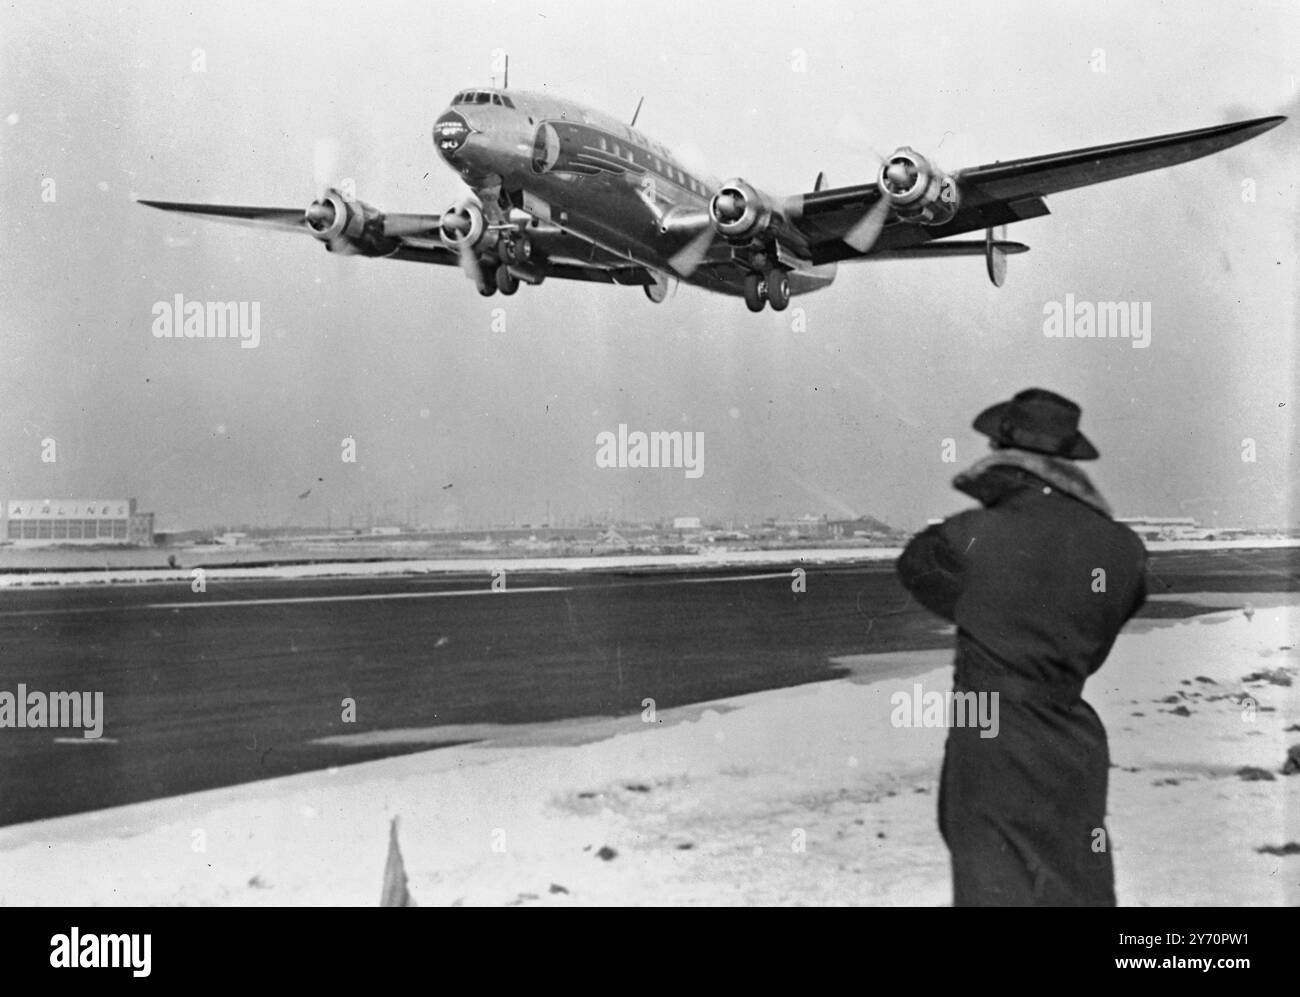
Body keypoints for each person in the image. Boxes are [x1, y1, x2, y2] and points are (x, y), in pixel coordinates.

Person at [896, 388, 1147, 906]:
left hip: (988, 732)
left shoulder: (968, 535)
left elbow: (918, 569)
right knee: (1074, 883)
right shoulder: (1122, 548)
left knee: (995, 884)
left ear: (1003, 453)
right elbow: (1098, 625)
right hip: (1072, 735)